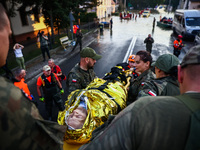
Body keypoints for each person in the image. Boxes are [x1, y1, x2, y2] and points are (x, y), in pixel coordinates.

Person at [79, 45, 200, 150]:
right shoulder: (178, 90)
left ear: (180, 73)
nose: (134, 65)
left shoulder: (152, 85)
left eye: (138, 62)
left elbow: (137, 110)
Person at [0, 3, 66, 149]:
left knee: (60, 105)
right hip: (47, 95)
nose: (49, 71)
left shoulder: (53, 75)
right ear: (44, 71)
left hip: (54, 92)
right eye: (8, 32)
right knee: (48, 108)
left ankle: (62, 114)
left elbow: (58, 80)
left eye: (50, 69)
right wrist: (40, 96)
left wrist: (60, 89)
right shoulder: (8, 95)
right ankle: (50, 116)